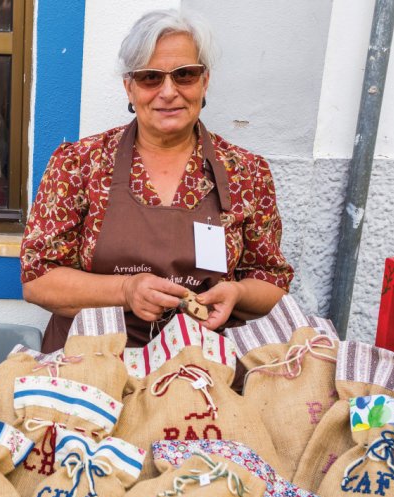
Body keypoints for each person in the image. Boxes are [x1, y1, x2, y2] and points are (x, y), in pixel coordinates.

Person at [20, 9, 294, 353]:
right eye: (150, 77)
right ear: (129, 87)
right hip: (91, 362)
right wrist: (125, 291)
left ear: (204, 81)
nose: (168, 91)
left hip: (203, 366)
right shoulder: (78, 164)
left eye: (185, 75)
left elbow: (271, 282)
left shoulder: (246, 172)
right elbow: (38, 279)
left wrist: (238, 293)